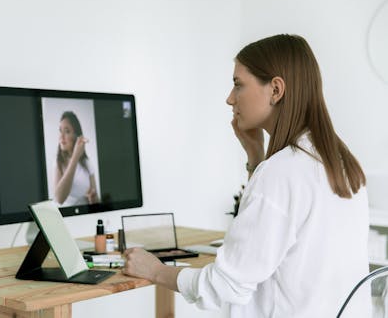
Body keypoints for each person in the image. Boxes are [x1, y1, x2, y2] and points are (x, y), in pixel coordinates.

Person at [122, 34, 370, 317]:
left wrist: (155, 270)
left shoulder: (282, 172)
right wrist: (255, 157)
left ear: (276, 90)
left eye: (238, 84)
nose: (230, 99)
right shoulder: (341, 163)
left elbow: (224, 286)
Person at [54, 111, 99, 206]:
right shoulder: (59, 163)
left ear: (76, 136)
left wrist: (93, 200)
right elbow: (59, 199)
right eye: (60, 131)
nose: (61, 136)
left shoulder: (87, 163)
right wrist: (75, 156)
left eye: (67, 131)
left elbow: (97, 201)